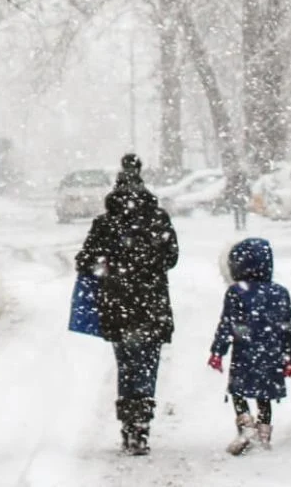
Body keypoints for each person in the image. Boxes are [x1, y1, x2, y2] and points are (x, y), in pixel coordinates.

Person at [75, 153, 179, 456]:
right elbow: (171, 257)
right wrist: (147, 264)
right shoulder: (158, 219)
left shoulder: (105, 223)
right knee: (146, 365)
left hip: (117, 305)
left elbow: (85, 261)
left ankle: (128, 425)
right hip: (151, 304)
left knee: (126, 366)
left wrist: (109, 267)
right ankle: (141, 425)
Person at [207, 238, 291, 455]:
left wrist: (217, 352)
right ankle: (264, 433)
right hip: (272, 352)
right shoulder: (280, 292)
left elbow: (227, 324)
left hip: (245, 350)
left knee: (238, 390)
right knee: (264, 394)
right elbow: (287, 327)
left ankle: (245, 424)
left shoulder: (236, 292)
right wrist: (289, 357)